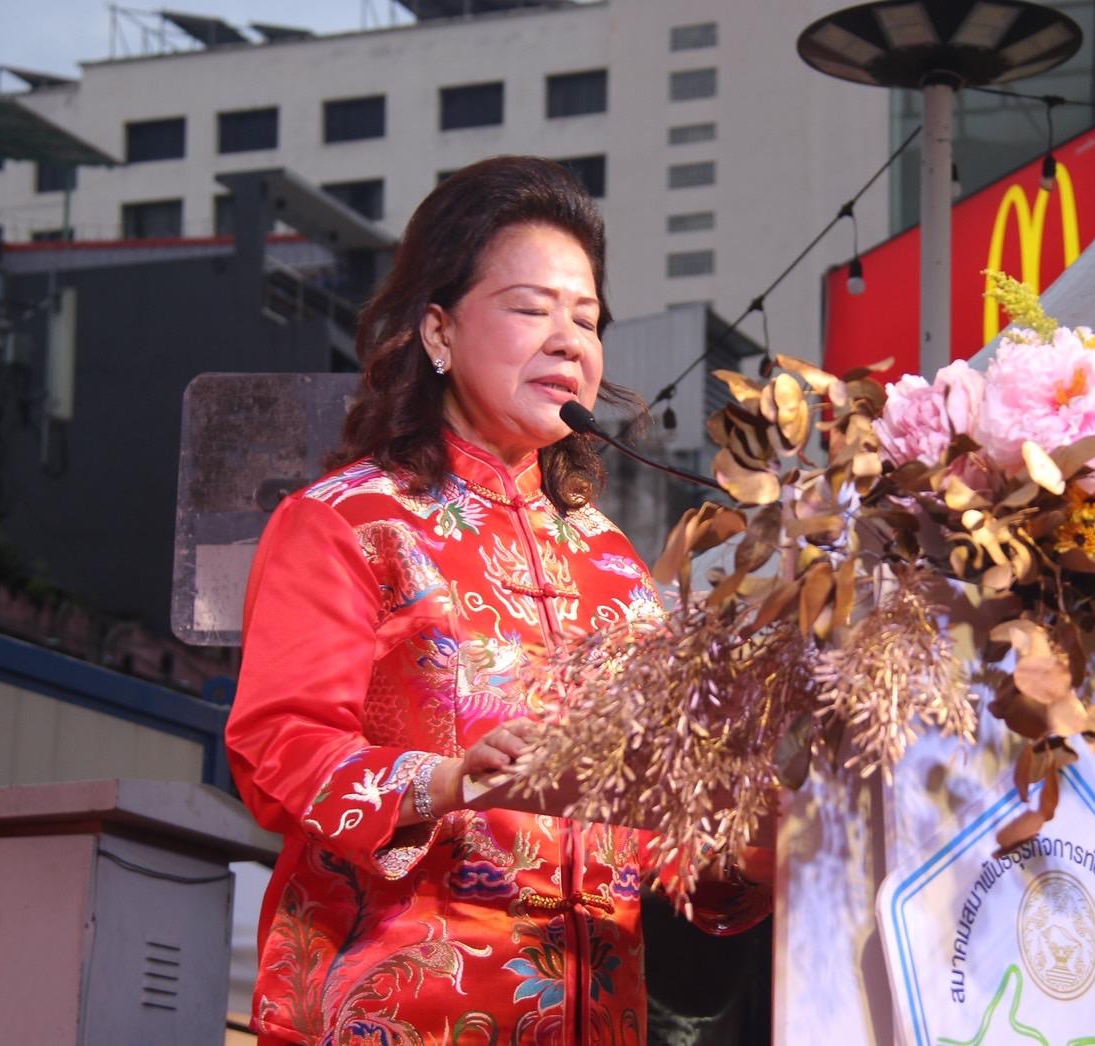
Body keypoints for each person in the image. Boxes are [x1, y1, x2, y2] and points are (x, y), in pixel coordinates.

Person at [227, 156, 765, 1046]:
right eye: (530, 309)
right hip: (394, 1018)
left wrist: (761, 832)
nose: (569, 341)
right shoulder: (349, 523)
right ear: (438, 331)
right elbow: (276, 750)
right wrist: (445, 781)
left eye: (586, 319)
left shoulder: (616, 567)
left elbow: (675, 865)